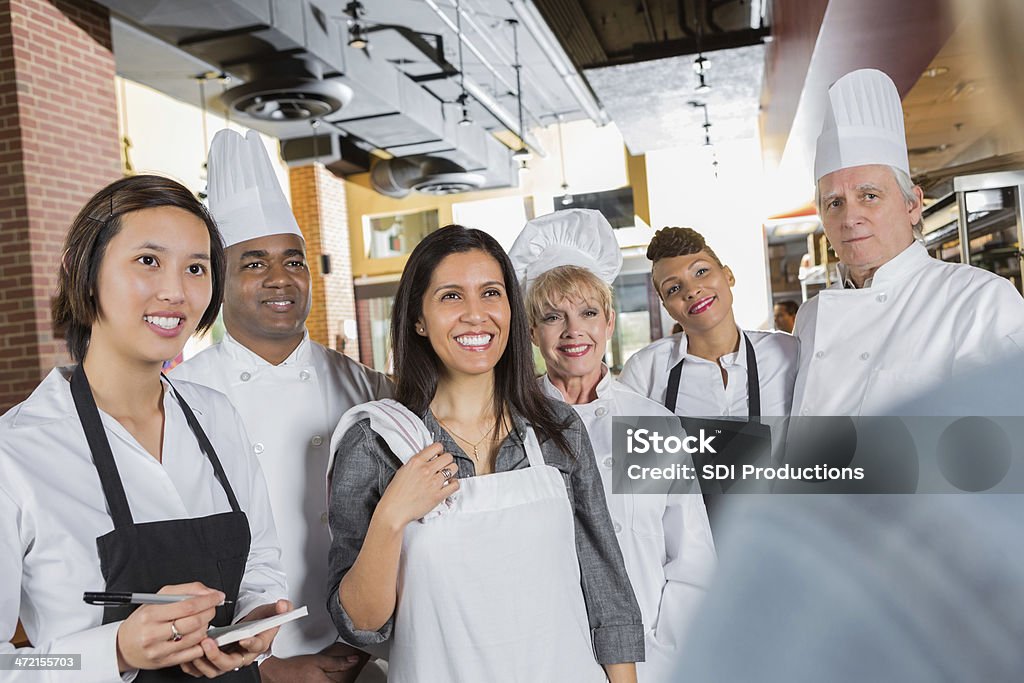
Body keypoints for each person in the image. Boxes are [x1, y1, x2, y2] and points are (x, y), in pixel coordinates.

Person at [0, 175, 290, 682]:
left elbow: (262, 560)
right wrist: (114, 651)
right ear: (82, 272)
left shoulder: (215, 416)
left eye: (196, 268)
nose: (175, 292)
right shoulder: (15, 452)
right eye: (148, 261)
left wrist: (253, 619)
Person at [326, 225, 644, 682]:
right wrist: (392, 517)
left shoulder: (558, 432)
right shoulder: (378, 441)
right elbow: (362, 625)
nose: (476, 315)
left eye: (491, 293)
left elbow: (607, 593)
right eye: (452, 297)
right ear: (418, 318)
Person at [173, 129, 390, 682]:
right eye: (253, 263)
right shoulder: (179, 399)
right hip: (249, 666)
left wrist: (372, 644)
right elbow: (176, 561)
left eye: (293, 261)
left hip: (370, 652)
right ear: (219, 279)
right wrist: (267, 671)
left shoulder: (369, 389)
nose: (279, 278)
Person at [510, 209, 716, 681]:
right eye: (551, 317)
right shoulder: (513, 425)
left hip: (652, 656)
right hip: (547, 656)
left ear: (608, 321)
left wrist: (663, 657)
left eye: (586, 313)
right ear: (532, 331)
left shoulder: (647, 423)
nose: (572, 331)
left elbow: (690, 559)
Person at [792, 68, 1024, 417]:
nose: (850, 217)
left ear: (912, 205)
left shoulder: (978, 299)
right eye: (834, 203)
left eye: (869, 195)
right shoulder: (809, 318)